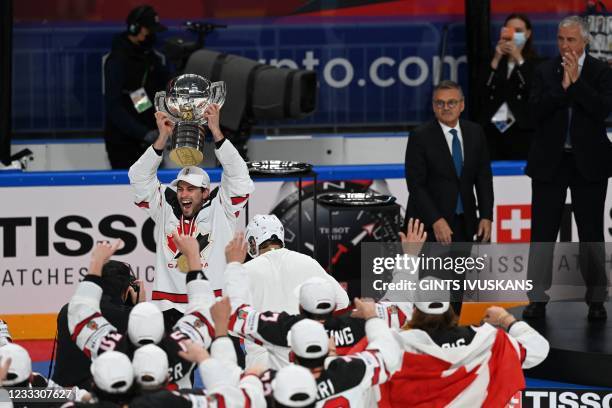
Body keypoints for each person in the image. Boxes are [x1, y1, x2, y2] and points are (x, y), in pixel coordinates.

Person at [128, 106, 254, 329]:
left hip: (212, 306)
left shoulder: (222, 208)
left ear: (205, 192)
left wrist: (216, 132)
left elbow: (239, 176)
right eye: (181, 189)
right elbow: (138, 177)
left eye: (191, 189)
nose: (184, 194)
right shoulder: (165, 207)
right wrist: (162, 137)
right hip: (169, 308)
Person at [523, 15, 612, 321]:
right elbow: (533, 114)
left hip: (590, 164)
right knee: (543, 232)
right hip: (551, 163)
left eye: (571, 40)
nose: (564, 45)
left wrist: (576, 85)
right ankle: (537, 298)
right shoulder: (544, 70)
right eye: (561, 39)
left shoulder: (601, 72)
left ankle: (597, 298)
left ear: (585, 41)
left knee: (590, 232)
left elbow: (603, 110)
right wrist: (562, 88)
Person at [405, 80, 494, 314]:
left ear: (462, 105)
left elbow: (483, 177)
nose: (446, 107)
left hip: (465, 222)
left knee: (458, 284)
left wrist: (486, 215)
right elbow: (416, 185)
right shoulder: (420, 136)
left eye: (451, 102)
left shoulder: (475, 133)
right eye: (440, 103)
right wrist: (436, 220)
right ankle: (430, 336)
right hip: (429, 225)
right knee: (431, 286)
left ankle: (455, 333)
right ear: (433, 107)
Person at [380, 301, 549, 407]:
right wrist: (506, 319)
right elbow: (538, 349)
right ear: (451, 310)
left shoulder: (398, 344)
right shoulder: (487, 339)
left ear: (415, 311)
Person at [243, 214, 350, 369]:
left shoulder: (244, 271)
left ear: (252, 242)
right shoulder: (306, 262)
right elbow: (342, 301)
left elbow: (232, 323)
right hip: (303, 357)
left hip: (260, 364)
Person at [52, 256, 144, 389]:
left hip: (62, 393)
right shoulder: (130, 316)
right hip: (103, 394)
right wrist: (141, 308)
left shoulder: (68, 310)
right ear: (126, 289)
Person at [104, 4, 170, 169]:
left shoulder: (148, 55)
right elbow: (114, 107)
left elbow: (142, 97)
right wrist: (144, 133)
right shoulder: (118, 61)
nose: (152, 35)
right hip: (123, 144)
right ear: (135, 29)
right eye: (149, 30)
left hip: (149, 141)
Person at [480, 13, 541, 160]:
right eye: (509, 31)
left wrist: (518, 58)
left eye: (518, 31)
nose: (514, 36)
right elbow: (481, 92)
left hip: (523, 132)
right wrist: (496, 58)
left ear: (528, 34)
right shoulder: (493, 61)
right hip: (493, 132)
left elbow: (533, 89)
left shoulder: (537, 64)